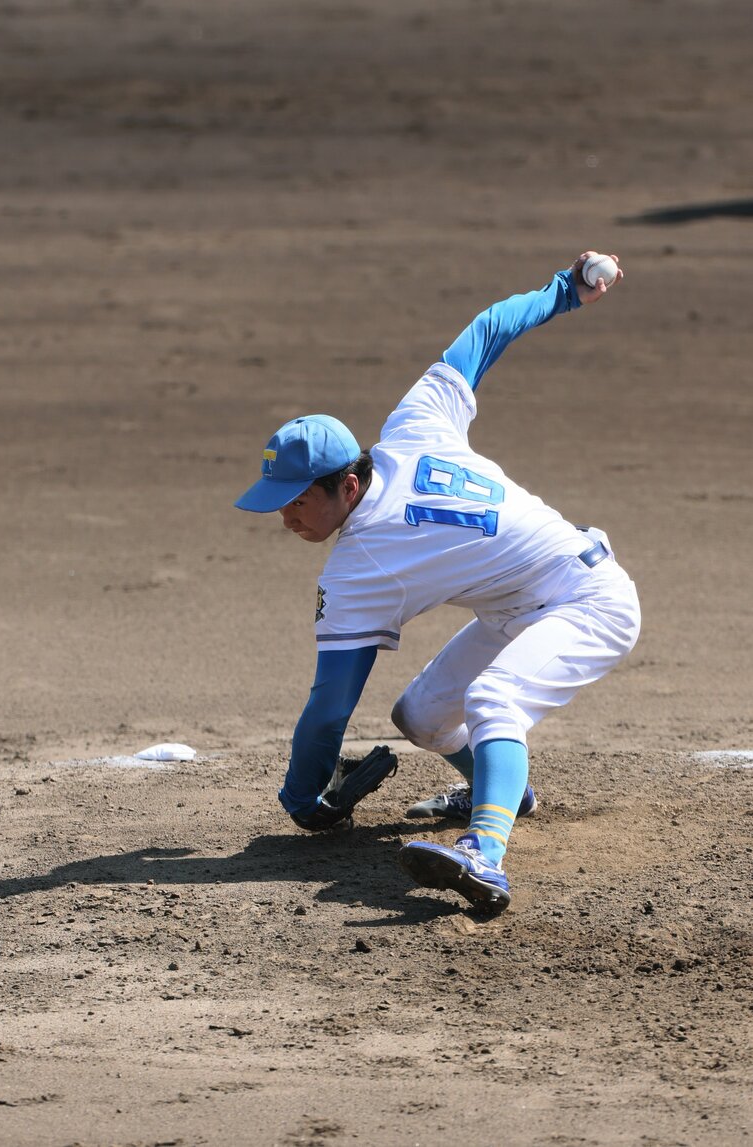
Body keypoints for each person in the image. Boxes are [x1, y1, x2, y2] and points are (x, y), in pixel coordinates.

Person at [235, 251, 640, 915]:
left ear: (348, 485)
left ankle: (485, 855)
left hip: (590, 601)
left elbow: (329, 709)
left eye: (298, 500)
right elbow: (488, 329)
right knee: (421, 715)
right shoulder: (415, 424)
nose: (286, 518)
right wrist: (565, 290)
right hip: (518, 607)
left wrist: (303, 796)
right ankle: (503, 791)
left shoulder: (360, 567)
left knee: (493, 698)